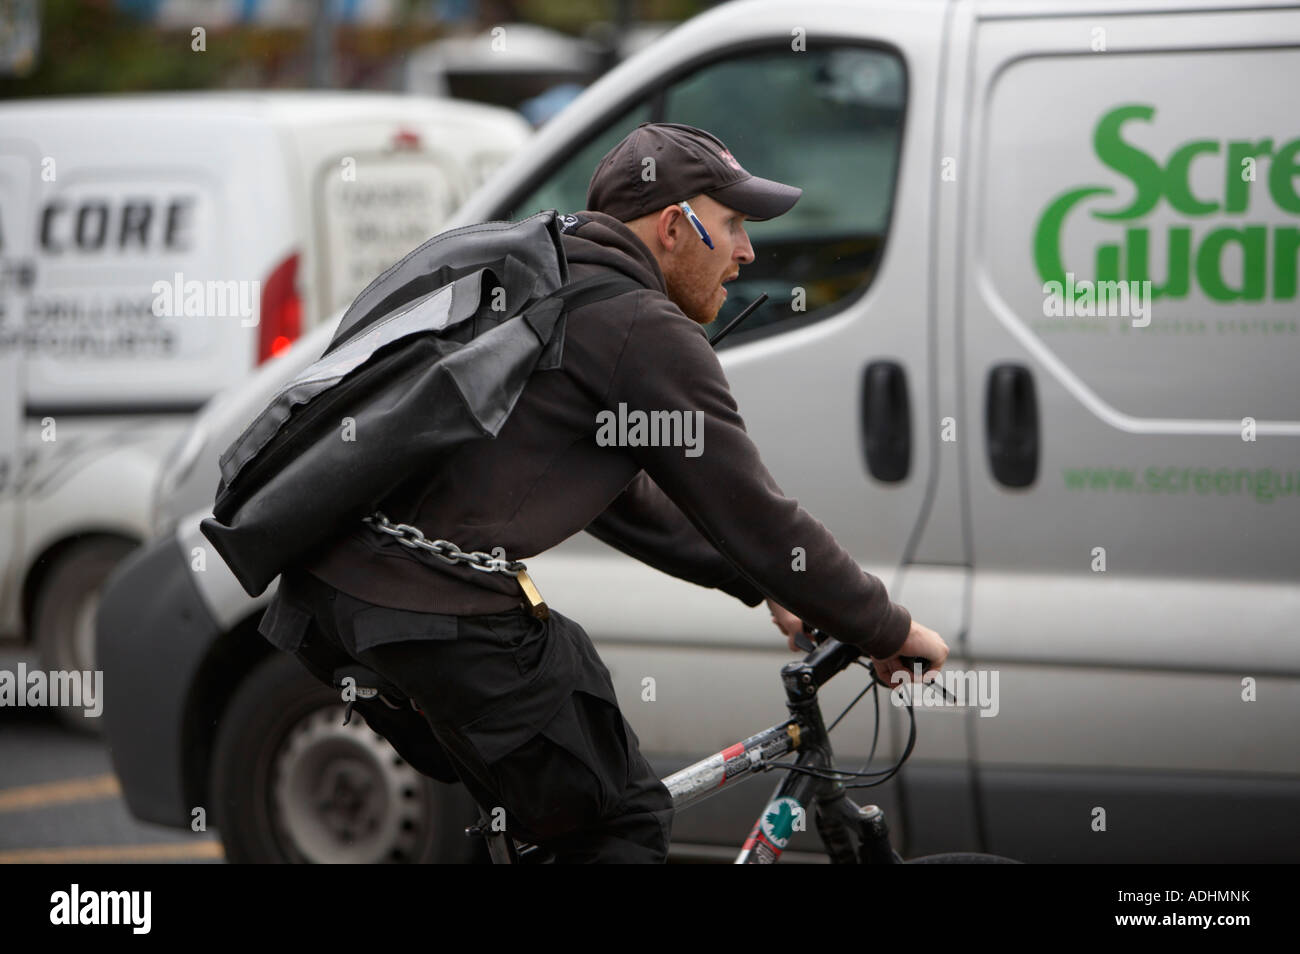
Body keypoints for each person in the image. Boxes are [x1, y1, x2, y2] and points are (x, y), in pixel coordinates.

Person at [256, 122, 949, 863]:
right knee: (616, 827)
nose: (748, 252)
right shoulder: (636, 326)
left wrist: (773, 588)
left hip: (331, 602)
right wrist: (888, 628)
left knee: (533, 827)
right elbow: (753, 511)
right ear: (675, 227)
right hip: (437, 612)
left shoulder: (552, 282)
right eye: (734, 225)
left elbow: (626, 500)